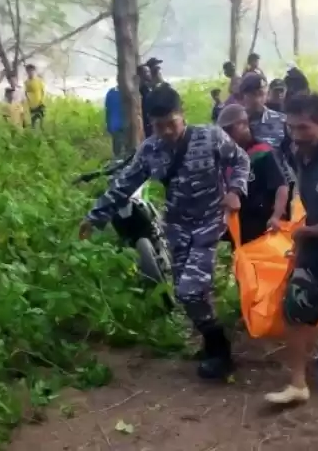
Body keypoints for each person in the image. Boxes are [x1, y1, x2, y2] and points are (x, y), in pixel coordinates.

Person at [78, 85, 250, 380]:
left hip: (209, 222)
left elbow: (241, 160)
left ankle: (220, 351)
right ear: (151, 124)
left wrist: (235, 190)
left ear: (183, 115)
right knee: (185, 292)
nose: (168, 131)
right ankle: (210, 340)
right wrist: (95, 216)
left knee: (190, 289)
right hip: (178, 226)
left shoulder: (210, 136)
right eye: (160, 126)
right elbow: (124, 184)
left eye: (172, 123)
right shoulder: (150, 150)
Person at [265, 93, 318, 406]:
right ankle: (298, 383)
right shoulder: (302, 153)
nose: (296, 135)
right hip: (315, 244)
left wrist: (302, 233)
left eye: (304, 128)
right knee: (296, 307)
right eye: (291, 127)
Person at [216, 104, 289, 243]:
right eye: (223, 131)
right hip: (240, 225)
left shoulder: (262, 153)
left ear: (244, 125)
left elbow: (281, 186)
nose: (226, 135)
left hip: (263, 224)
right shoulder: (225, 157)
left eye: (230, 129)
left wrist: (276, 216)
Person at [104, 77, 126, 157]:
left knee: (121, 150)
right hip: (118, 125)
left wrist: (108, 124)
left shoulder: (111, 92)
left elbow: (107, 110)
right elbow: (108, 110)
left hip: (120, 125)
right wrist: (108, 124)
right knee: (119, 150)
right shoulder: (112, 93)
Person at [24, 64, 46, 129]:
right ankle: (33, 132)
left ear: (34, 71)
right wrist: (28, 101)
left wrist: (42, 100)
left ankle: (42, 131)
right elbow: (26, 92)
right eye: (28, 71)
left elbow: (43, 91)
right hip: (32, 105)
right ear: (27, 72)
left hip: (40, 103)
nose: (30, 72)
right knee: (33, 121)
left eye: (31, 71)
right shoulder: (26, 82)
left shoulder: (39, 80)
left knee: (42, 121)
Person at [138, 64, 153, 138]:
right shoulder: (141, 90)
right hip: (146, 123)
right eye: (147, 72)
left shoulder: (148, 88)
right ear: (141, 75)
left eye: (149, 71)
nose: (149, 74)